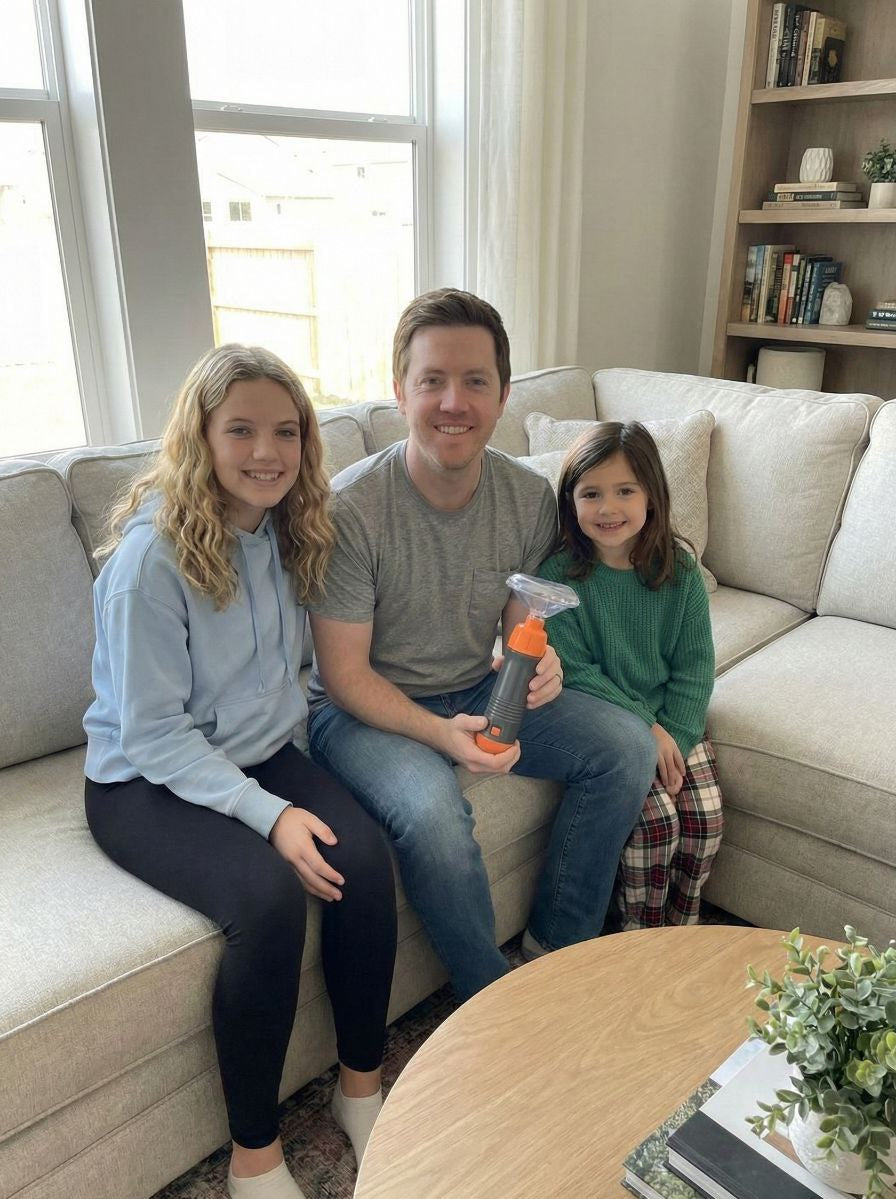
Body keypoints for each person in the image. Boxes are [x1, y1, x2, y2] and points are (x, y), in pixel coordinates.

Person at [83, 345, 397, 1199]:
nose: (267, 451)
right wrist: (269, 814)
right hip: (142, 781)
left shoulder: (290, 529)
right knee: (266, 899)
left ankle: (360, 1089)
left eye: (286, 431)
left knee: (364, 859)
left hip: (258, 753)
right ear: (201, 436)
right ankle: (253, 1156)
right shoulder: (150, 564)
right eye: (242, 430)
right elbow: (153, 733)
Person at [306, 288, 656, 1002]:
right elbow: (342, 676)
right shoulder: (351, 509)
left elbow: (521, 625)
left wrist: (540, 664)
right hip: (362, 711)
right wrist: (442, 734)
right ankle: (494, 1003)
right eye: (432, 380)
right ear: (400, 389)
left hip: (475, 684)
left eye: (475, 381)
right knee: (434, 816)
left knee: (626, 748)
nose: (453, 402)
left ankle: (555, 952)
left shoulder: (528, 498)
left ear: (503, 395)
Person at [537, 421, 723, 930]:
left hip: (676, 723)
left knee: (705, 818)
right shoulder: (558, 578)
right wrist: (648, 729)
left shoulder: (680, 573)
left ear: (652, 495)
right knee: (655, 828)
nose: (608, 508)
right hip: (616, 725)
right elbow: (576, 672)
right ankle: (639, 934)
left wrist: (674, 737)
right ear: (571, 501)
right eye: (591, 494)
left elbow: (694, 669)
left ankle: (681, 927)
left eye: (625, 491)